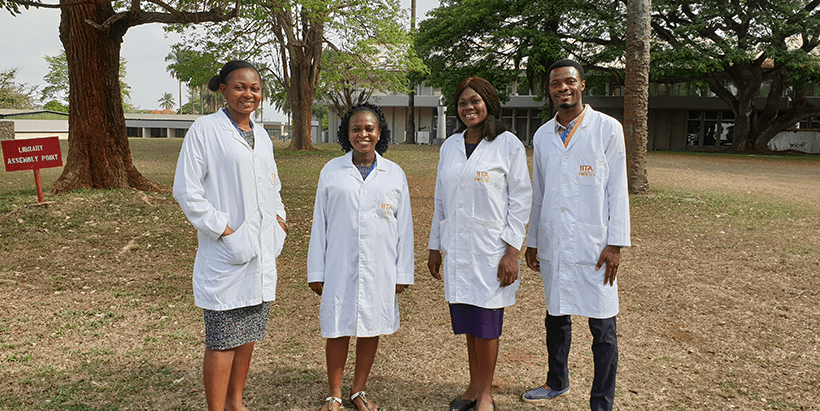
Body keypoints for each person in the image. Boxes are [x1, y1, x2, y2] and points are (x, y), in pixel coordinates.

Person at [173, 60, 287, 411]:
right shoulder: (205, 130)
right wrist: (226, 230)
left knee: (248, 334)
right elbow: (187, 190)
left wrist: (280, 221)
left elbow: (273, 184)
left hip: (261, 249)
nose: (248, 94)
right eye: (239, 87)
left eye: (254, 88)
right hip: (226, 251)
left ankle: (237, 402)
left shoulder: (263, 134)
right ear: (223, 90)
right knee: (222, 339)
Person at [521, 59, 631, 411]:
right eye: (556, 84)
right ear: (550, 90)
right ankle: (557, 381)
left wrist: (615, 244)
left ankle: (601, 402)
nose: (563, 88)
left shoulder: (608, 129)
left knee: (603, 328)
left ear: (582, 85)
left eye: (570, 81)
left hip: (595, 244)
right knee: (556, 315)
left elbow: (618, 190)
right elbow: (540, 192)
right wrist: (533, 240)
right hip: (555, 241)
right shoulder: (543, 135)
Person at [428, 77, 532, 411]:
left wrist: (512, 251)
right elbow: (441, 201)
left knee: (487, 324)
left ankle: (486, 394)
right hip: (458, 248)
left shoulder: (508, 144)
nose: (469, 107)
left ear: (488, 102)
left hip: (492, 250)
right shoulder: (450, 146)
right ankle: (473, 387)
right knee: (469, 322)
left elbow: (521, 199)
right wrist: (434, 246)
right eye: (462, 103)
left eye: (475, 101)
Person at [307, 102, 414, 411]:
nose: (363, 134)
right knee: (338, 326)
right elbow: (319, 223)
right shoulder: (332, 171)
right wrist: (317, 270)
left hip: (381, 266)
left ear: (380, 133)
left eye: (369, 128)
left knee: (370, 326)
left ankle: (358, 391)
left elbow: (404, 227)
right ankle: (335, 393)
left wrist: (402, 272)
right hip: (339, 264)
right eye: (356, 129)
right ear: (347, 134)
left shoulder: (394, 174)